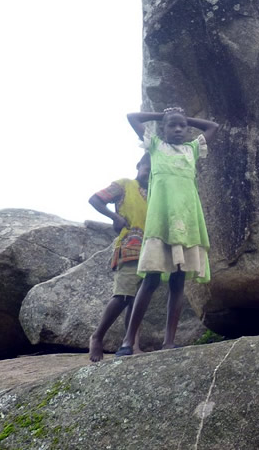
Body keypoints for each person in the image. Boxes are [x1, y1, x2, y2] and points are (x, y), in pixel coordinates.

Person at [119, 107, 219, 354]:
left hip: (187, 224)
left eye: (182, 126)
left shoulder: (192, 150)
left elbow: (213, 127)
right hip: (161, 223)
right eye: (172, 125)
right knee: (151, 280)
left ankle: (169, 341)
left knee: (178, 281)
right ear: (163, 129)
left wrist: (183, 117)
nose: (178, 129)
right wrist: (161, 116)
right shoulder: (155, 146)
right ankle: (128, 341)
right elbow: (132, 117)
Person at [86, 155, 151, 362]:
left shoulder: (155, 192)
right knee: (124, 295)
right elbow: (96, 199)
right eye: (146, 168)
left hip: (150, 249)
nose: (148, 173)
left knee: (138, 300)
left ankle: (132, 343)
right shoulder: (124, 185)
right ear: (138, 166)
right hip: (129, 246)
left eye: (153, 170)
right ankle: (97, 336)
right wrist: (115, 217)